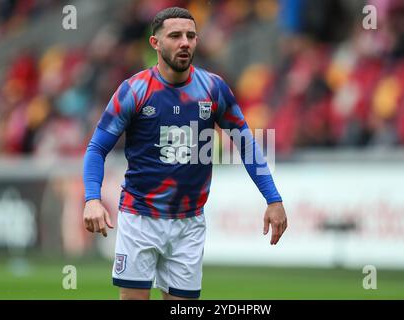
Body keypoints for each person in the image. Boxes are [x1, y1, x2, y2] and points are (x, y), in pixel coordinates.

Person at [82, 7, 287, 300]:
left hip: (189, 223)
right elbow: (96, 148)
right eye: (175, 35)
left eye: (191, 36)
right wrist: (92, 198)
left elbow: (246, 144)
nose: (185, 42)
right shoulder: (135, 90)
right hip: (140, 218)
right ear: (155, 43)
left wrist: (274, 199)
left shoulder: (213, 89)